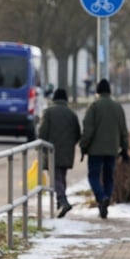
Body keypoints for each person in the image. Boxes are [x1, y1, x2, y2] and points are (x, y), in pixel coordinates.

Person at [79, 79, 130, 219]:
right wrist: (125, 148)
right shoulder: (118, 107)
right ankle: (106, 199)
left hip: (95, 150)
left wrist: (84, 146)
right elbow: (123, 130)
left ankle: (101, 197)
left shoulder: (93, 107)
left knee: (93, 176)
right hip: (112, 149)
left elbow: (88, 130)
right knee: (108, 177)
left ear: (98, 92)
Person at [38, 88, 81, 218]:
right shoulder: (72, 114)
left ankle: (63, 201)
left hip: (52, 150)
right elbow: (78, 133)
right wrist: (69, 145)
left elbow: (42, 132)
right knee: (61, 177)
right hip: (67, 151)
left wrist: (42, 146)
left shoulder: (48, 112)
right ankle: (60, 203)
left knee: (56, 178)